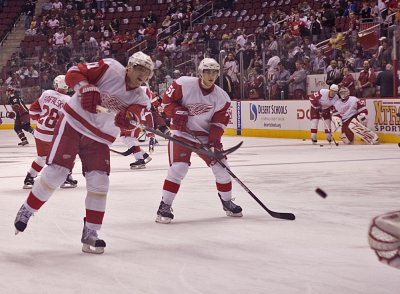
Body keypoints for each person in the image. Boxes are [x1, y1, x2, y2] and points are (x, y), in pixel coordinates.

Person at [13, 51, 155, 254]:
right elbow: (73, 73)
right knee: (57, 173)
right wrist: (85, 88)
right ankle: (27, 209)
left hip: (99, 138)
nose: (144, 75)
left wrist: (127, 120)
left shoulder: (141, 96)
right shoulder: (111, 67)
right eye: (140, 69)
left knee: (100, 182)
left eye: (147, 72)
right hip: (73, 123)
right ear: (130, 67)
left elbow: (132, 119)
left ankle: (91, 232)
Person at [155, 57, 242, 224]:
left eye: (215, 72)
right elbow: (165, 103)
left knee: (223, 171)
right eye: (207, 71)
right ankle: (164, 206)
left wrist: (214, 143)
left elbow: (218, 124)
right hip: (182, 133)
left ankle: (227, 202)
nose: (211, 75)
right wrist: (176, 111)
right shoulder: (183, 84)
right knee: (178, 169)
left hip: (204, 136)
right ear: (200, 73)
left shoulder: (222, 97)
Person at [23, 75, 78, 189]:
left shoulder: (47, 93)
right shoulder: (68, 100)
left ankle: (29, 178)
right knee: (68, 154)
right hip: (54, 134)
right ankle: (66, 178)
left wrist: (41, 120)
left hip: (40, 131)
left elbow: (33, 110)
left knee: (42, 157)